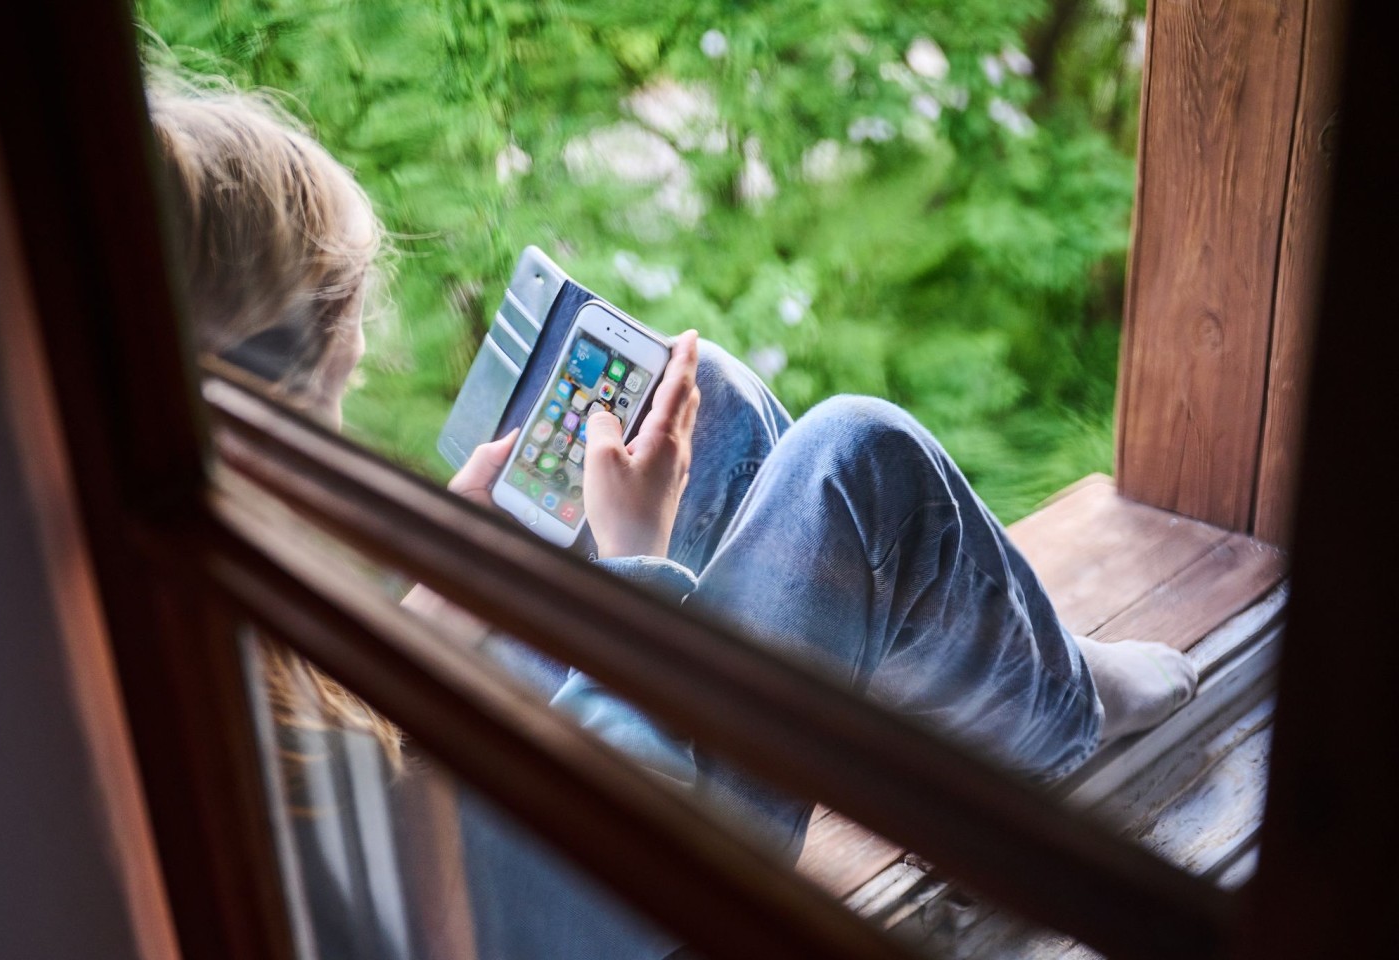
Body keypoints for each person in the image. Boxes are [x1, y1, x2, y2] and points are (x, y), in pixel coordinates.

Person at [148, 81, 1196, 960]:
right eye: (329, 403)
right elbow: (618, 854)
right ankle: (1062, 720)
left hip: (516, 839)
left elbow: (370, 718)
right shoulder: (302, 775)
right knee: (856, 463)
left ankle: (963, 680)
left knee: (715, 412)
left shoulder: (167, 599)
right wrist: (630, 570)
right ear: (252, 406)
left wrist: (454, 572)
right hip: (635, 889)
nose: (338, 431)